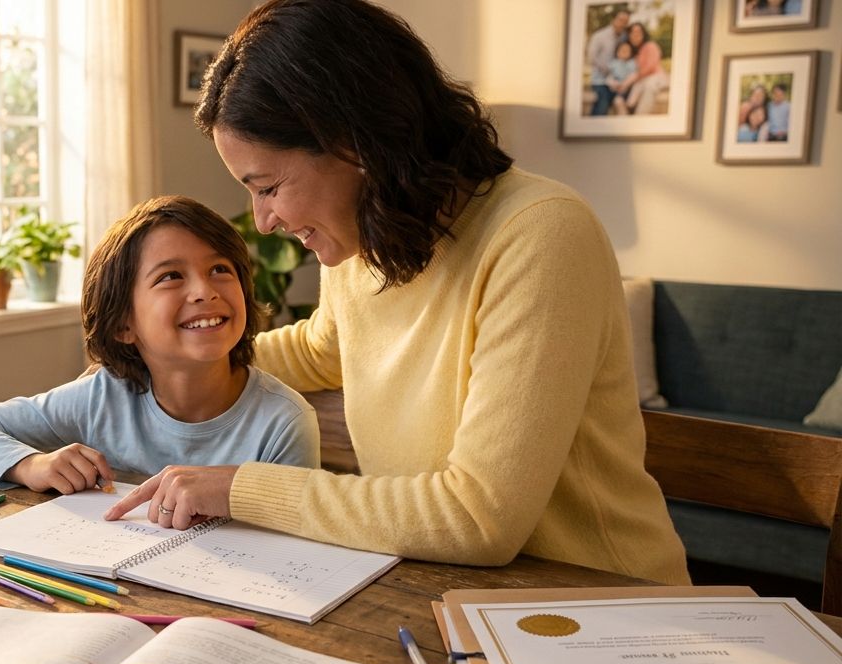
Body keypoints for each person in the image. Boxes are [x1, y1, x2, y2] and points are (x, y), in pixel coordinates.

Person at [106, 0, 690, 586]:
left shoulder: (541, 233)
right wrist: (151, 358)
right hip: (449, 588)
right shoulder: (369, 240)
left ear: (354, 145)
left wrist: (238, 488)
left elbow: (477, 517)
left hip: (604, 601)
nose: (262, 221)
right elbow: (323, 346)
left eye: (270, 187)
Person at [0, 195, 320, 493]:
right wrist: (31, 465)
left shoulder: (282, 422)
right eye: (171, 276)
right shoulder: (100, 399)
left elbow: (295, 545)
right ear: (123, 324)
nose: (204, 291)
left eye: (220, 269)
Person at [585, 9, 630, 117]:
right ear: (613, 20)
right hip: (601, 80)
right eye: (620, 20)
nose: (622, 24)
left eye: (626, 22)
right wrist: (607, 70)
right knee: (603, 103)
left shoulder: (624, 37)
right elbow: (591, 57)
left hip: (618, 81)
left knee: (624, 101)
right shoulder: (599, 36)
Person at [621, 22, 669, 116]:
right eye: (632, 32)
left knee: (649, 86)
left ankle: (640, 117)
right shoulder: (632, 52)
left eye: (638, 32)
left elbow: (650, 66)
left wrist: (636, 76)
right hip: (641, 80)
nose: (635, 35)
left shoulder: (651, 46)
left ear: (643, 34)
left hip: (656, 77)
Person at [606, 40, 637, 115]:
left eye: (627, 51)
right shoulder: (614, 63)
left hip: (630, 89)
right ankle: (624, 118)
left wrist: (625, 84)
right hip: (618, 90)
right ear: (617, 52)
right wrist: (614, 84)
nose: (624, 52)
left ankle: (629, 108)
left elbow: (634, 75)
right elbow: (609, 77)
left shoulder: (632, 63)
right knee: (618, 101)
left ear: (631, 53)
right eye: (622, 50)